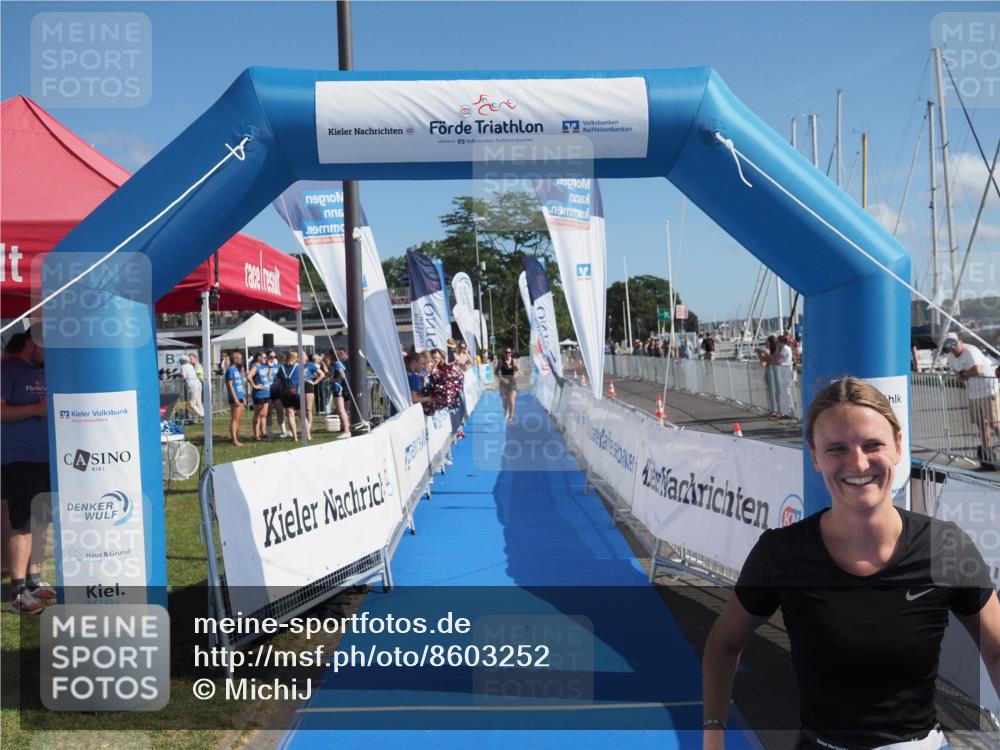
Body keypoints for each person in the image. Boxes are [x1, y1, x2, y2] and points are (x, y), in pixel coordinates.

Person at [702, 377, 1000, 750]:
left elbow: (997, 649)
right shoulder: (781, 553)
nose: (857, 462)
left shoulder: (944, 546)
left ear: (898, 447)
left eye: (873, 444)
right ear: (813, 456)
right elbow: (724, 643)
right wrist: (713, 733)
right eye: (836, 449)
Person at [0, 323, 56, 613]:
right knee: (21, 524)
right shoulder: (7, 370)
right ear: (33, 344)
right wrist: (35, 409)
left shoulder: (47, 370)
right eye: (47, 347)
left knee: (41, 521)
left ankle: (34, 581)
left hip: (46, 457)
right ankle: (18, 591)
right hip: (17, 459)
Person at [941, 332, 1000, 469]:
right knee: (981, 425)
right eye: (950, 347)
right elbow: (958, 375)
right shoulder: (950, 357)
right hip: (973, 394)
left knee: (995, 424)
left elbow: (977, 370)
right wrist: (964, 374)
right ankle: (988, 455)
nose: (953, 349)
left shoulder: (971, 351)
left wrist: (964, 374)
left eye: (954, 345)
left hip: (988, 390)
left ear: (960, 342)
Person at [247, 351, 271, 441]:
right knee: (258, 414)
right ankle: (256, 435)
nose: (266, 359)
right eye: (264, 357)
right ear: (259, 358)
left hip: (266, 393)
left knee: (264, 414)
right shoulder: (255, 367)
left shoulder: (264, 366)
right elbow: (248, 376)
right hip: (259, 394)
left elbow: (268, 375)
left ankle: (263, 433)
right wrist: (254, 386)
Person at [225, 351, 246, 447]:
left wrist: (243, 397)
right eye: (240, 358)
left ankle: (236, 437)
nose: (241, 360)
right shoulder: (230, 370)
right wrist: (235, 398)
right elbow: (230, 385)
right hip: (235, 398)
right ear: (235, 359)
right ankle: (234, 440)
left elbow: (239, 384)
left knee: (238, 419)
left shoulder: (237, 370)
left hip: (240, 396)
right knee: (235, 419)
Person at [304, 353, 326, 441]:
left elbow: (322, 374)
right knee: (301, 411)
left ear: (306, 357)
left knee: (308, 410)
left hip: (308, 387)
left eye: (303, 355)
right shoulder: (296, 365)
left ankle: (307, 431)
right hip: (298, 387)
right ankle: (306, 431)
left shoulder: (310, 365)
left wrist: (315, 382)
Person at [264, 351, 287, 438]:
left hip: (277, 391)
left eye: (274, 356)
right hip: (267, 392)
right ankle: (269, 432)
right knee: (268, 412)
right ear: (267, 357)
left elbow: (284, 378)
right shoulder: (263, 367)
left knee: (280, 411)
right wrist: (269, 367)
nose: (273, 358)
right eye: (271, 356)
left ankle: (283, 430)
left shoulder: (279, 367)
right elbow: (267, 377)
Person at [330, 347, 350, 438]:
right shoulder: (336, 364)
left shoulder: (338, 363)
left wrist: (335, 380)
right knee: (341, 410)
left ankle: (346, 431)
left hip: (339, 388)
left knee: (341, 410)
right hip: (338, 388)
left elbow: (342, 375)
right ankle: (345, 429)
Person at [497, 348, 520, 423]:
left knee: (511, 400)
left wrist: (516, 373)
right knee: (505, 401)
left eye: (509, 352)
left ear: (511, 353)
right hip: (503, 383)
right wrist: (501, 378)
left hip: (512, 382)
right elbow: (496, 372)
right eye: (506, 352)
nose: (507, 354)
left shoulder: (514, 361)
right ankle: (506, 410)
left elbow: (519, 370)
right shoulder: (501, 361)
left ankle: (511, 416)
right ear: (504, 353)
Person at [180, 353, 204, 421]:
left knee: (191, 403)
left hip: (192, 385)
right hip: (198, 384)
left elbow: (184, 376)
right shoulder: (190, 366)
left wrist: (180, 376)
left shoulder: (183, 367)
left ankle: (202, 414)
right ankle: (203, 414)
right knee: (198, 401)